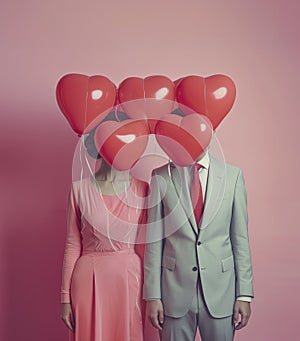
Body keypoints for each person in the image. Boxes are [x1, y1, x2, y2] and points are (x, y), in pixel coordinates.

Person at [143, 152, 254, 341]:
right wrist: (153, 296)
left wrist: (244, 294)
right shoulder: (160, 176)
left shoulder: (232, 176)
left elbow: (240, 239)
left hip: (221, 291)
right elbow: (153, 240)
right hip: (174, 292)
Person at [60, 129, 147, 341]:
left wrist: (154, 293)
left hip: (128, 280)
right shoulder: (79, 189)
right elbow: (72, 244)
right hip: (88, 280)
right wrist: (64, 298)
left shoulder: (143, 188)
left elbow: (147, 248)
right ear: (98, 146)